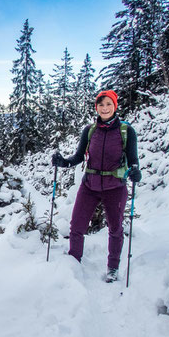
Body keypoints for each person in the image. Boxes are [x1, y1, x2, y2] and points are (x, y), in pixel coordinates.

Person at [52, 90, 141, 283]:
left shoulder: (126, 131)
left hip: (115, 186)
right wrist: (64, 163)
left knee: (115, 228)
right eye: (101, 105)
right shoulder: (90, 130)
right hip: (89, 184)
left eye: (108, 104)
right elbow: (78, 157)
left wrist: (135, 171)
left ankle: (113, 267)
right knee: (76, 225)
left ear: (115, 106)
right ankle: (73, 263)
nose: (105, 108)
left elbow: (134, 160)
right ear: (96, 107)